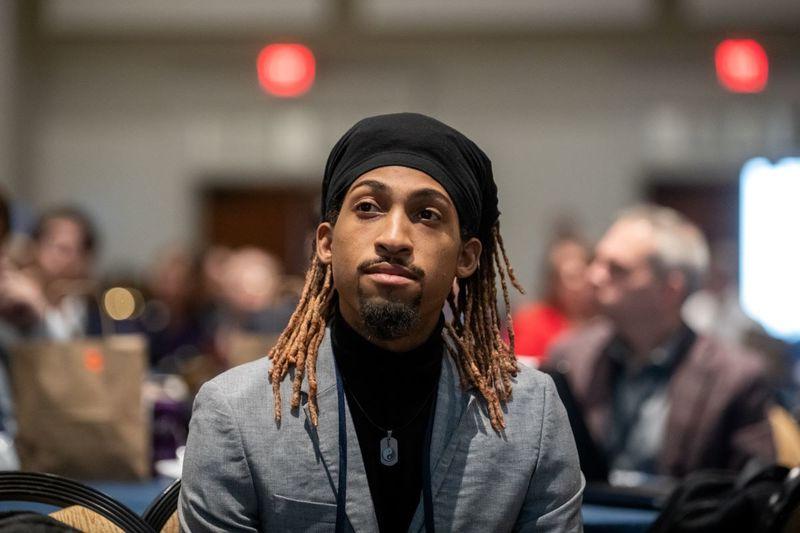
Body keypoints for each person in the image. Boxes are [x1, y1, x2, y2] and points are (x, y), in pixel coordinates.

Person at [180, 113, 584, 532]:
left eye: (427, 215)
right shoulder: (236, 412)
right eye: (368, 207)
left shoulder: (530, 413)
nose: (394, 237)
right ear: (326, 243)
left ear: (466, 257)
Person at [547, 205, 775, 481]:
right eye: (596, 261)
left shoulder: (735, 378)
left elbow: (755, 495)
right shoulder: (570, 358)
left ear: (670, 290)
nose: (594, 276)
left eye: (616, 269)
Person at [513, 234, 594, 363]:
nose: (581, 284)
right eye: (572, 277)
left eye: (585, 274)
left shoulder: (604, 323)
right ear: (554, 283)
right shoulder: (531, 321)